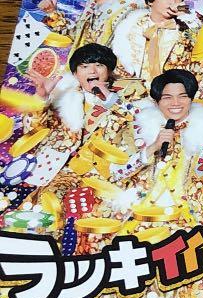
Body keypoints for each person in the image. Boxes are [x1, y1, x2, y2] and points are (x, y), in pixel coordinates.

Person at [14, 42, 136, 199]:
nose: (92, 71)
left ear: (110, 71)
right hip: (56, 172)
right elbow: (32, 132)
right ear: (75, 74)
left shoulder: (129, 93)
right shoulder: (63, 98)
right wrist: (41, 98)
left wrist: (109, 98)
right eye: (84, 66)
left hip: (101, 177)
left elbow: (138, 123)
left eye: (99, 65)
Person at [109, 69, 203, 227]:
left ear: (191, 99)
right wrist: (152, 148)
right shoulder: (138, 128)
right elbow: (116, 173)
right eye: (167, 97)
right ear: (156, 102)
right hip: (140, 212)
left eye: (182, 96)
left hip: (189, 215)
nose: (175, 103)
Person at [111, 0, 203, 94]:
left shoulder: (187, 26)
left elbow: (202, 36)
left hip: (173, 93)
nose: (173, 2)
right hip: (135, 92)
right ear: (150, 1)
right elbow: (120, 61)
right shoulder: (132, 26)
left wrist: (184, 11)